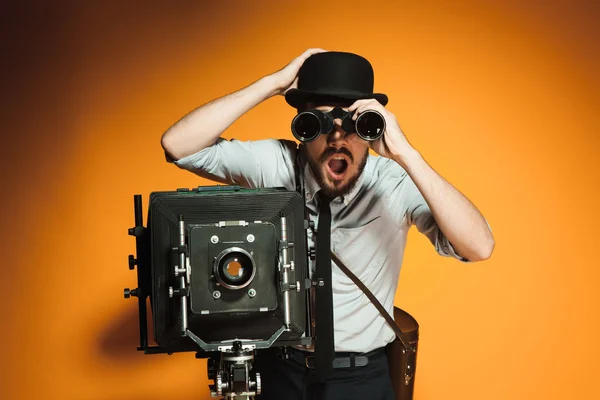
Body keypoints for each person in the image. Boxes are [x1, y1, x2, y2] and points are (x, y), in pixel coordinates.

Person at [161, 49, 495, 400]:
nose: (337, 138)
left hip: (361, 377)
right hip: (277, 369)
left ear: (372, 130)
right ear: (302, 130)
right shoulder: (276, 165)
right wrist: (273, 84)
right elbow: (178, 145)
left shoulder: (392, 182)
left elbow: (479, 246)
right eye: (317, 124)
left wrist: (406, 153)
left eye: (354, 126)